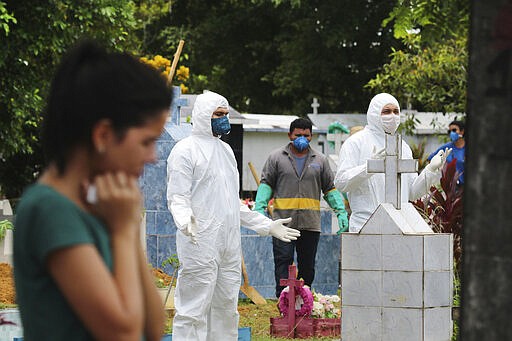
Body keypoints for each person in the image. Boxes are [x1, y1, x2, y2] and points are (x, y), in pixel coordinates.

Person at [13, 40, 172, 341]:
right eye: (146, 142)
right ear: (103, 135)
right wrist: (124, 231)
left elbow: (152, 327)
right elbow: (123, 334)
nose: (152, 156)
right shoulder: (50, 209)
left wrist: (124, 225)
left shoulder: (102, 205)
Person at [166, 91, 300, 340]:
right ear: (204, 115)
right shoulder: (185, 151)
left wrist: (266, 225)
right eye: (218, 114)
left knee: (227, 308)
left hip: (228, 245)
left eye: (226, 114)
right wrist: (185, 221)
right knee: (193, 309)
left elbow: (233, 205)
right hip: (199, 241)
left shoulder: (226, 151)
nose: (224, 119)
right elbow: (178, 197)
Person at [254, 117, 349, 298]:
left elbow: (329, 189)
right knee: (283, 263)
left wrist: (340, 211)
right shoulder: (276, 158)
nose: (302, 138)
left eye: (306, 135)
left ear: (311, 136)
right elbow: (266, 184)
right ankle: (283, 302)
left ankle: (303, 303)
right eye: (298, 134)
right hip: (283, 223)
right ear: (290, 135)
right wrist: (259, 208)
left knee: (307, 267)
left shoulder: (320, 160)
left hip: (310, 225)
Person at [335, 93, 451, 232]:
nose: (392, 116)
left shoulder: (402, 147)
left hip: (398, 225)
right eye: (386, 111)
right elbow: (341, 182)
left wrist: (430, 170)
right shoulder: (356, 142)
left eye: (396, 111)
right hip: (365, 225)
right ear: (374, 113)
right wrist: (369, 167)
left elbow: (412, 193)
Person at [427, 120, 465, 185]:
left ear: (462, 132)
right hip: (452, 187)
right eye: (449, 131)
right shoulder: (447, 147)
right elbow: (430, 159)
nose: (451, 133)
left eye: (454, 130)